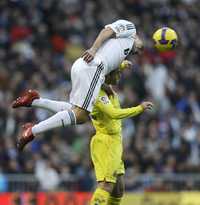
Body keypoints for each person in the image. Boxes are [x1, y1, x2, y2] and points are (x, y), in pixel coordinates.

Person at [12, 19, 144, 151]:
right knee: (81, 115)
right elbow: (107, 31)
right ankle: (32, 131)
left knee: (76, 111)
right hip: (93, 65)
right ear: (139, 37)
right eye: (141, 47)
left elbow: (108, 79)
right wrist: (93, 49)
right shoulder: (131, 28)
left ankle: (34, 101)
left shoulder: (121, 51)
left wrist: (116, 75)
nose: (139, 51)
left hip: (86, 67)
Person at [89, 61, 153, 205]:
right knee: (106, 185)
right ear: (106, 77)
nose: (120, 76)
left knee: (118, 190)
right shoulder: (98, 94)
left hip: (115, 143)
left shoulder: (107, 88)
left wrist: (122, 65)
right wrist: (139, 108)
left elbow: (106, 70)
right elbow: (113, 113)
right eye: (117, 73)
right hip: (106, 143)